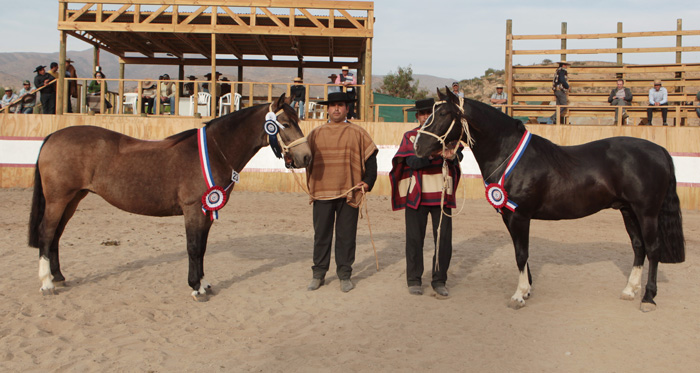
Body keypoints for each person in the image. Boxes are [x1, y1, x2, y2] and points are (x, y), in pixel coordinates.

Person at [305, 91, 378, 293]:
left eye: (340, 105)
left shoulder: (358, 132)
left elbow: (371, 159)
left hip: (349, 190)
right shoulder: (316, 134)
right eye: (332, 105)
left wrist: (368, 181)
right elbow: (303, 158)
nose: (336, 109)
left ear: (347, 109)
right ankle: (318, 274)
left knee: (346, 236)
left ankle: (344, 274)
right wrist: (290, 160)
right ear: (327, 109)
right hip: (322, 191)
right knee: (321, 235)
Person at [389, 98, 462, 297]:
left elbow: (459, 154)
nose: (424, 117)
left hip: (442, 195)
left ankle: (439, 280)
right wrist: (433, 156)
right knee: (414, 239)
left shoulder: (446, 135)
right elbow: (411, 161)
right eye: (421, 114)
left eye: (427, 113)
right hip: (417, 196)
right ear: (417, 117)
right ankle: (414, 279)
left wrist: (452, 156)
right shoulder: (410, 136)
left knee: (444, 240)